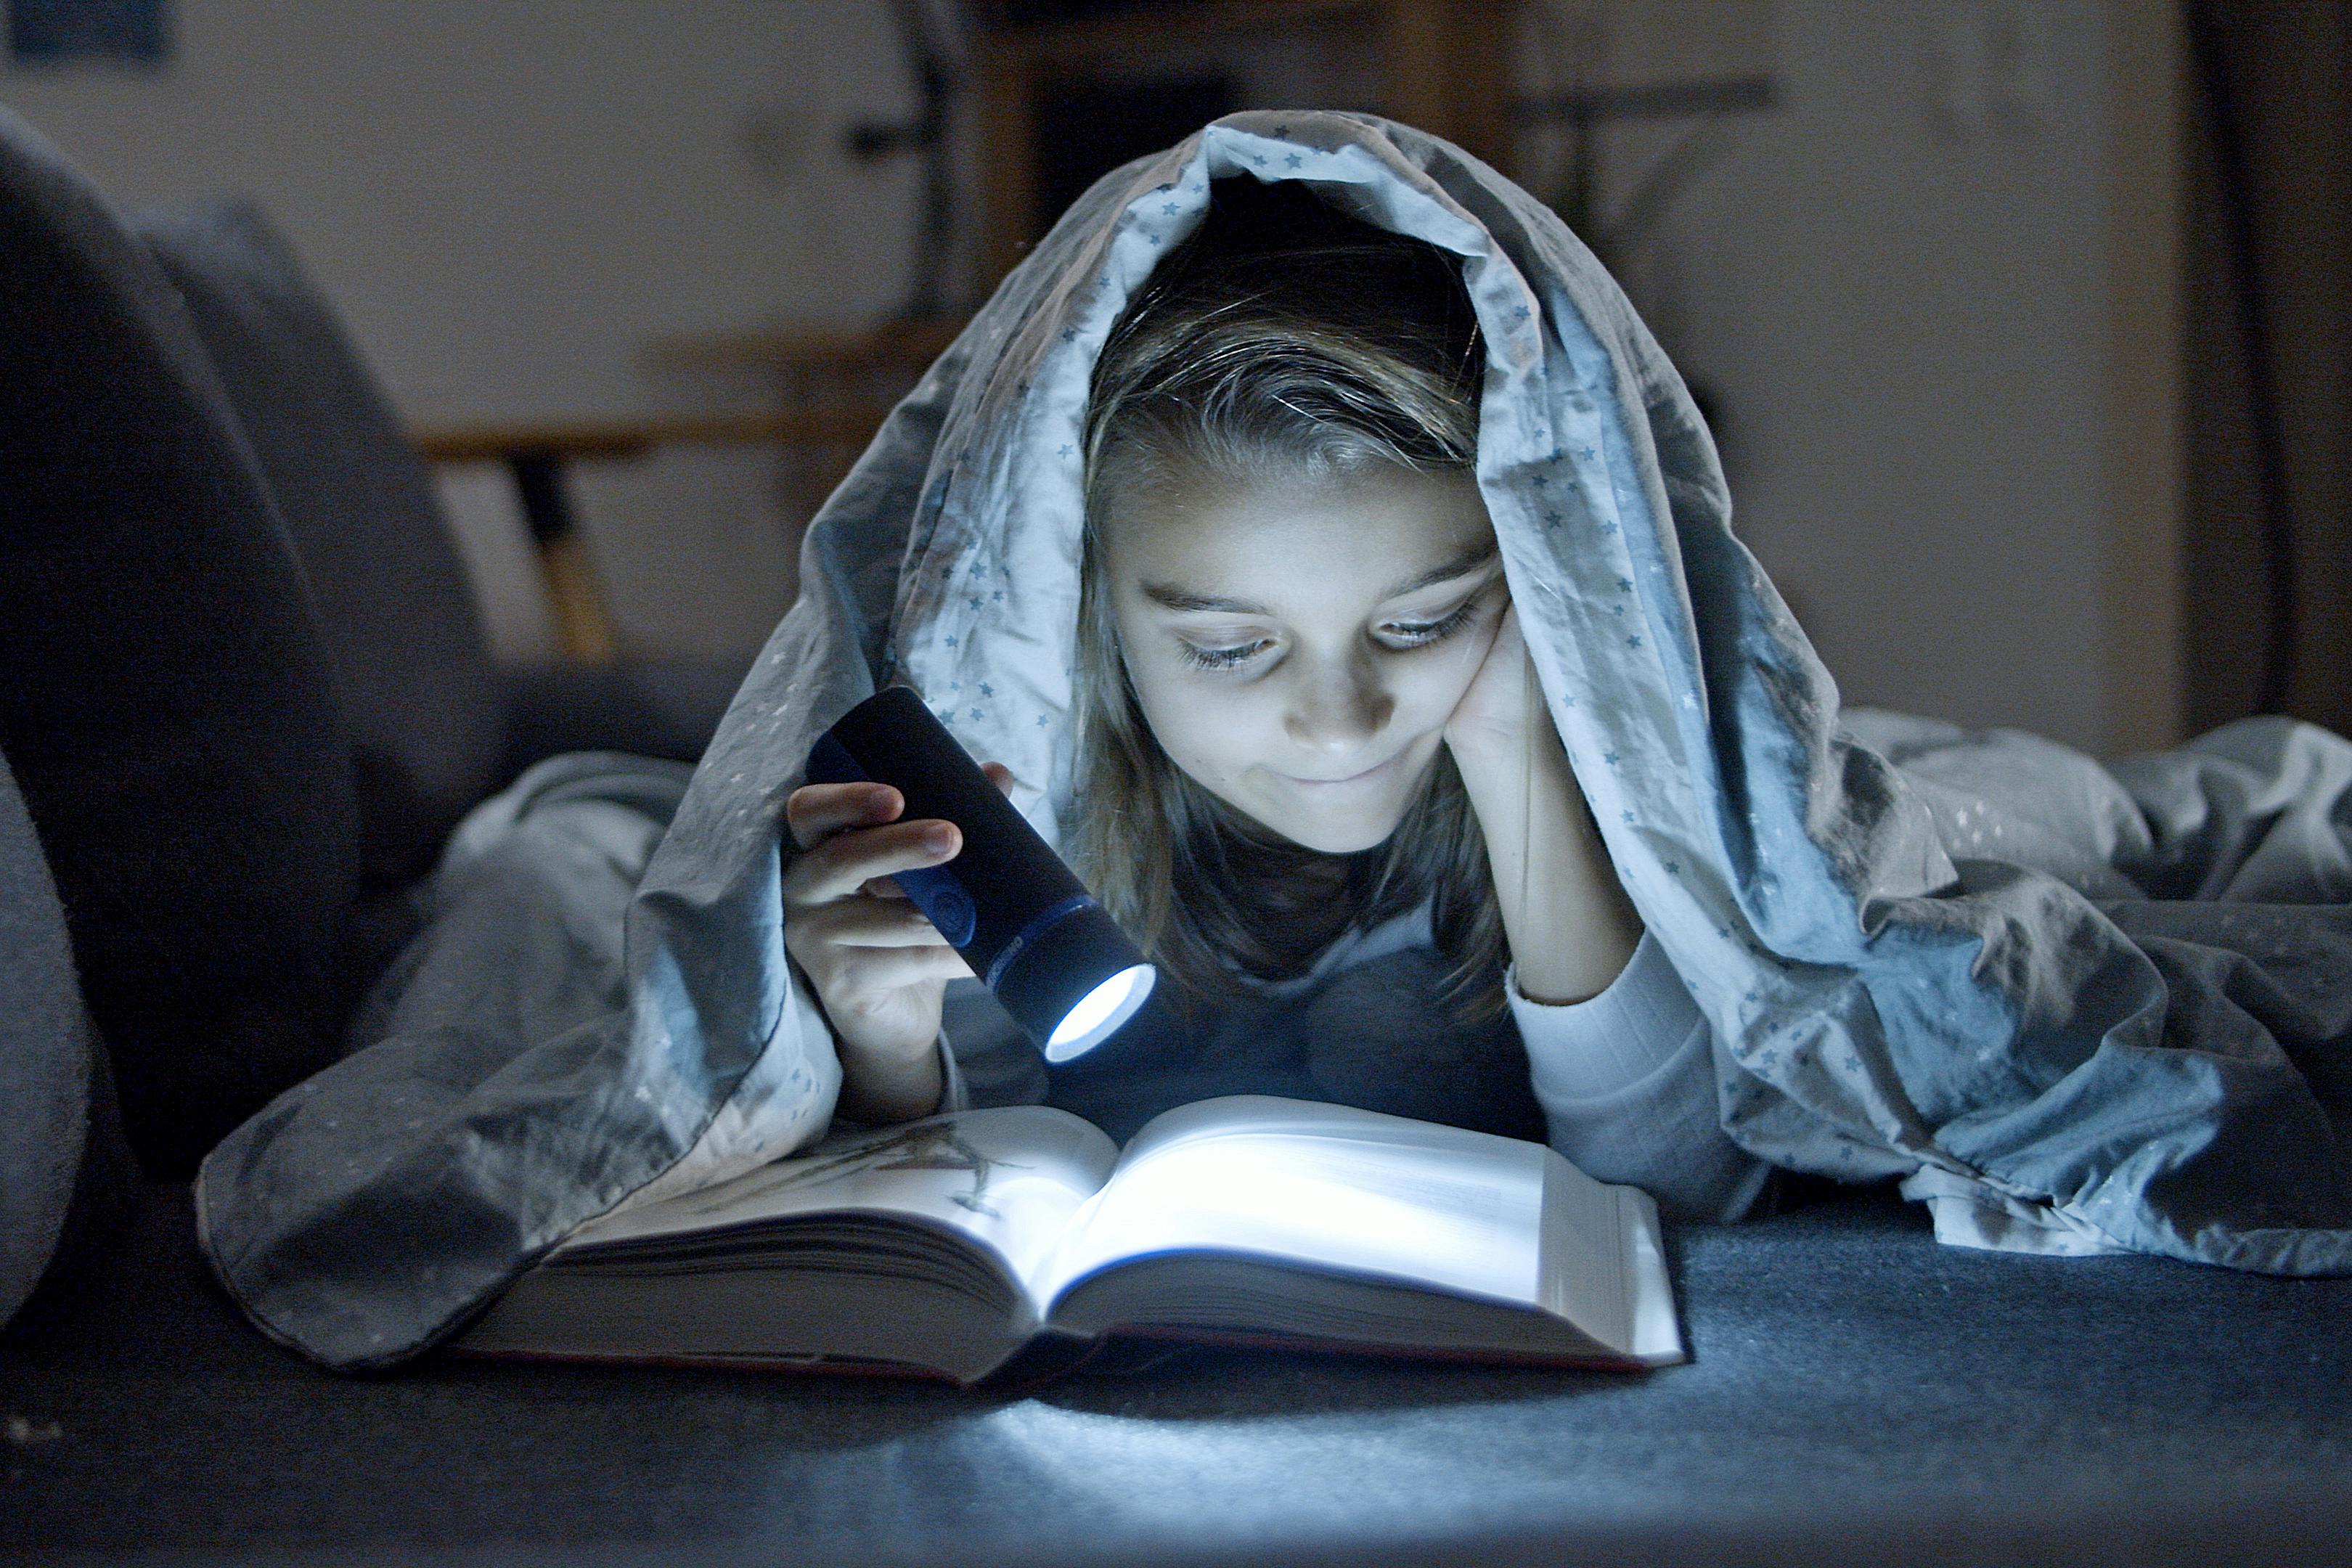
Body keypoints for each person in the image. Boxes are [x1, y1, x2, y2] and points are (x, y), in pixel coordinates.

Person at [779, 181, 1769, 1221]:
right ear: (1088, 610)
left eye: (1421, 623)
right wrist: (888, 1050)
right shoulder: (1017, 778)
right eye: (1233, 647)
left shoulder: (1598, 755)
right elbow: (951, 1208)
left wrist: (1516, 752)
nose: (1341, 723)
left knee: (1391, 1030)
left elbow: (1684, 1194)